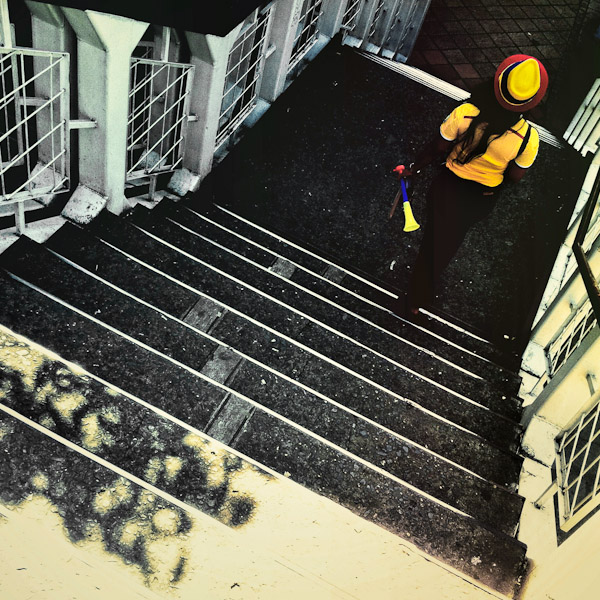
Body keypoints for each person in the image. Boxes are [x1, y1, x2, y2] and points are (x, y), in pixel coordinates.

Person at [395, 54, 548, 323]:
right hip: (480, 199)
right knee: (448, 241)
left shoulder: (465, 114)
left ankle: (415, 299)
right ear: (531, 102)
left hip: (447, 188)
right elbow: (515, 176)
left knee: (434, 243)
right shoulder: (528, 139)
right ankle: (422, 290)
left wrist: (412, 169)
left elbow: (437, 148)